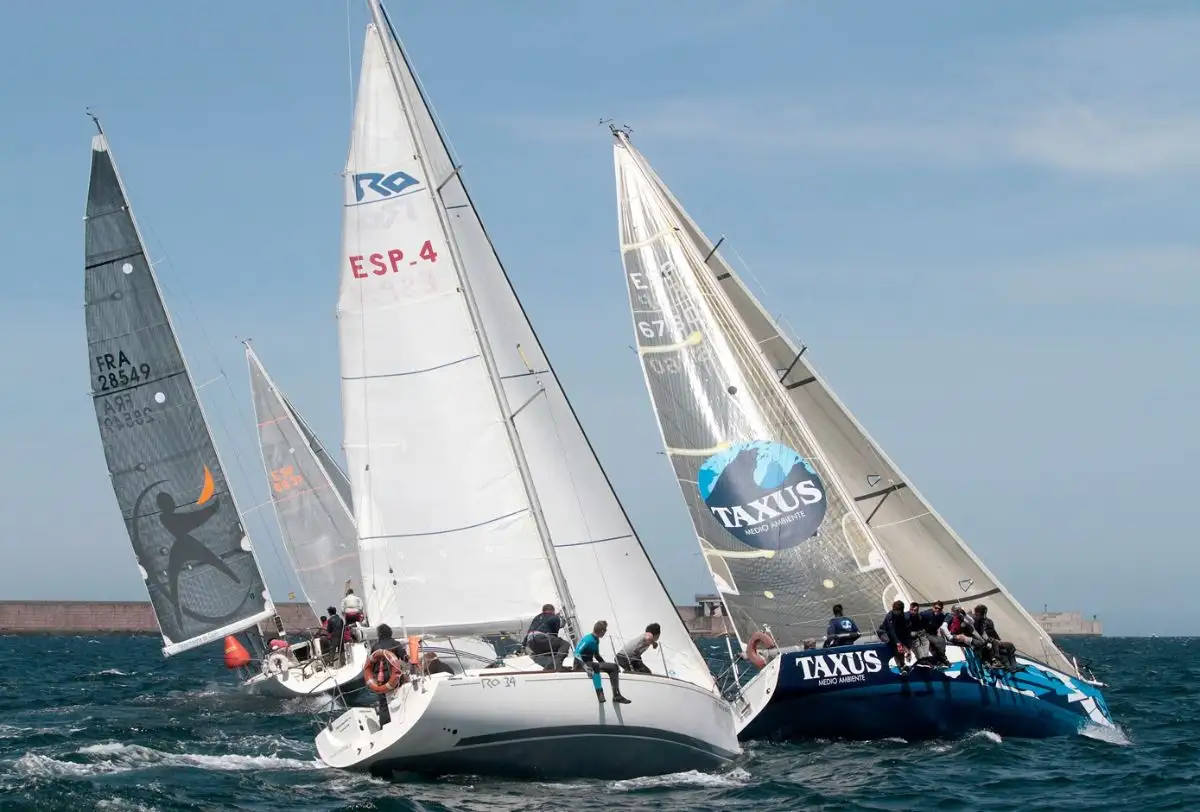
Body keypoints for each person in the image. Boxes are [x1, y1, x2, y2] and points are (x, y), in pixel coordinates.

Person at [575, 620, 630, 704]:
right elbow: (576, 654)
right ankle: (600, 694)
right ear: (601, 631)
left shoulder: (596, 640)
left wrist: (606, 665)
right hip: (582, 663)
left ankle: (617, 695)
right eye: (605, 630)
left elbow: (597, 655)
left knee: (614, 667)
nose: (605, 632)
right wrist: (585, 667)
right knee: (596, 666)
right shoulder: (588, 639)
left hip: (591, 663)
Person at [369, 623, 409, 726]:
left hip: (380, 677)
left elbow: (371, 664)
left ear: (379, 634)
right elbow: (404, 657)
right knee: (400, 695)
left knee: (383, 703)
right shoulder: (395, 643)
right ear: (390, 632)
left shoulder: (375, 647)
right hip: (394, 675)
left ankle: (385, 725)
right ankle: (402, 720)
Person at [524, 603, 570, 671]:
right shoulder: (554, 617)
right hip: (541, 637)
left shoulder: (536, 618)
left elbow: (530, 631)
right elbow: (559, 625)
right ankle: (556, 665)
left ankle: (550, 666)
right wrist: (563, 619)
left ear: (543, 611)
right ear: (553, 611)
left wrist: (523, 645)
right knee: (564, 644)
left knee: (549, 651)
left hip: (530, 641)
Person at [972, 605, 1018, 670]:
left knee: (1010, 646)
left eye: (984, 613)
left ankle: (1013, 665)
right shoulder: (974, 621)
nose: (983, 615)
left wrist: (997, 640)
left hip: (993, 640)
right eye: (981, 613)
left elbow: (993, 632)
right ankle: (1001, 663)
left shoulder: (989, 621)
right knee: (995, 645)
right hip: (984, 643)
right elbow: (976, 634)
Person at [877, 600, 914, 673]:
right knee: (890, 641)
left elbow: (907, 632)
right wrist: (898, 643)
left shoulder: (905, 617)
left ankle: (903, 663)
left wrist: (907, 646)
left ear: (901, 611)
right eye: (894, 610)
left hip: (898, 633)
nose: (894, 612)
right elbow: (891, 631)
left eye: (897, 611)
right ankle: (902, 665)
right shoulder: (889, 616)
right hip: (884, 632)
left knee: (906, 641)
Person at [919, 601, 950, 666]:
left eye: (939, 609)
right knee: (937, 642)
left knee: (942, 641)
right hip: (924, 633)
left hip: (933, 633)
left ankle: (942, 659)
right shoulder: (927, 614)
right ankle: (942, 659)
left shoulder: (941, 616)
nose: (937, 610)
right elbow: (916, 616)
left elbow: (940, 625)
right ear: (933, 607)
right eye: (936, 608)